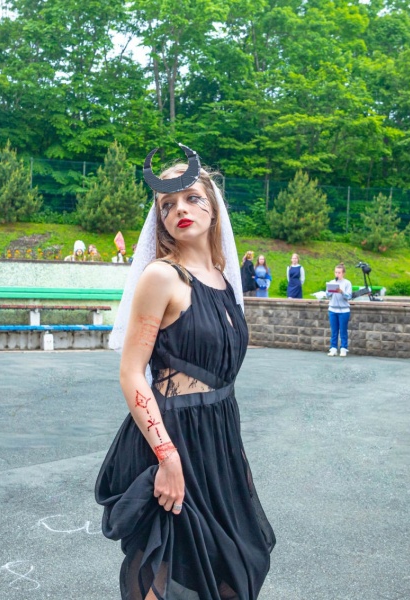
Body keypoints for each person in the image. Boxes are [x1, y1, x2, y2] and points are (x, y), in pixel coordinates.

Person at [95, 144, 275, 600]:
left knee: (226, 569)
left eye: (192, 198)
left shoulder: (223, 280)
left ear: (214, 209)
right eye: (168, 205)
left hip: (218, 439)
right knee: (172, 572)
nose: (180, 209)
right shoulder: (161, 277)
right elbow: (131, 373)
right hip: (172, 438)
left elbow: (223, 380)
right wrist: (167, 457)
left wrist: (233, 455)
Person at [326, 263, 353, 356]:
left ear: (343, 273)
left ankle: (343, 348)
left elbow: (349, 296)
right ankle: (333, 348)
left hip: (343, 310)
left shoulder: (347, 283)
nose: (337, 274)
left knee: (343, 330)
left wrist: (342, 292)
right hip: (332, 309)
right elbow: (327, 295)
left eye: (339, 272)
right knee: (334, 331)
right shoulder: (331, 282)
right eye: (336, 272)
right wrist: (330, 291)